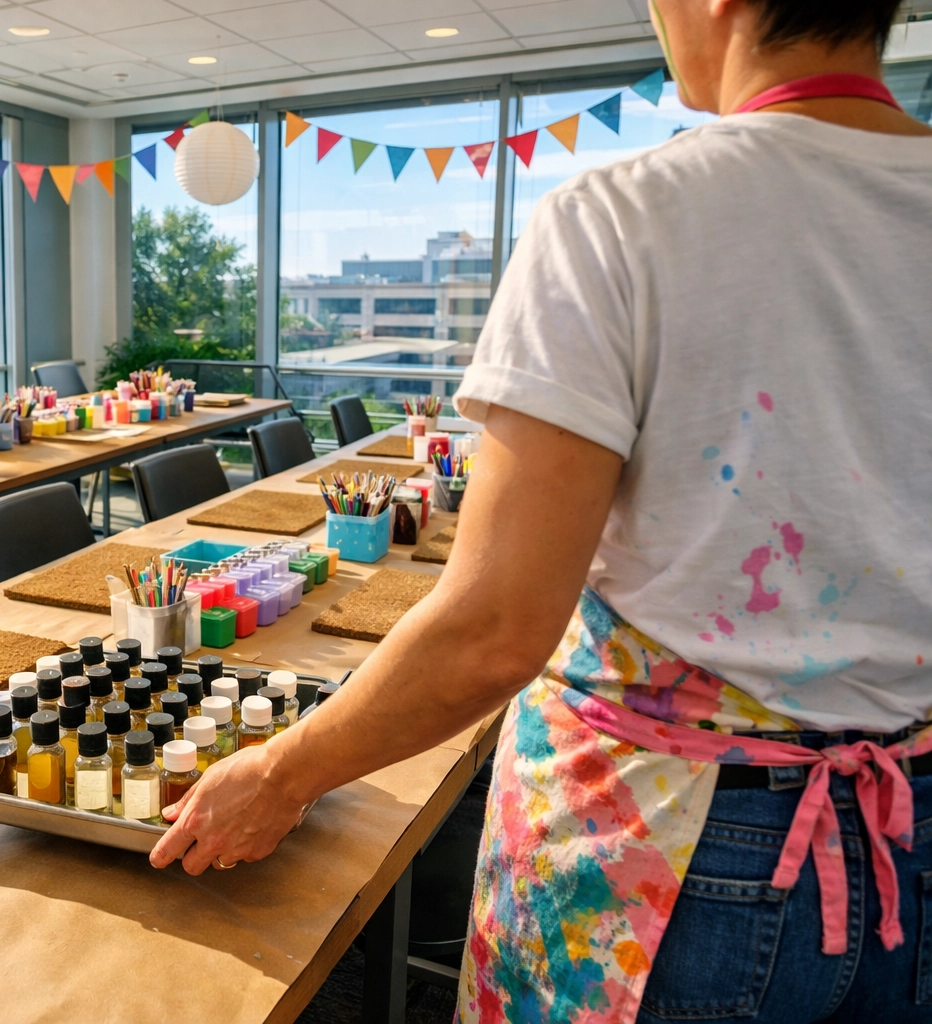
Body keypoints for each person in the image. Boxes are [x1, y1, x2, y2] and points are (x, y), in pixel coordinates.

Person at [150, 1, 932, 1021]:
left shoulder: (629, 214)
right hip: (907, 827)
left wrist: (283, 772)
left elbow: (494, 628)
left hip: (673, 851)